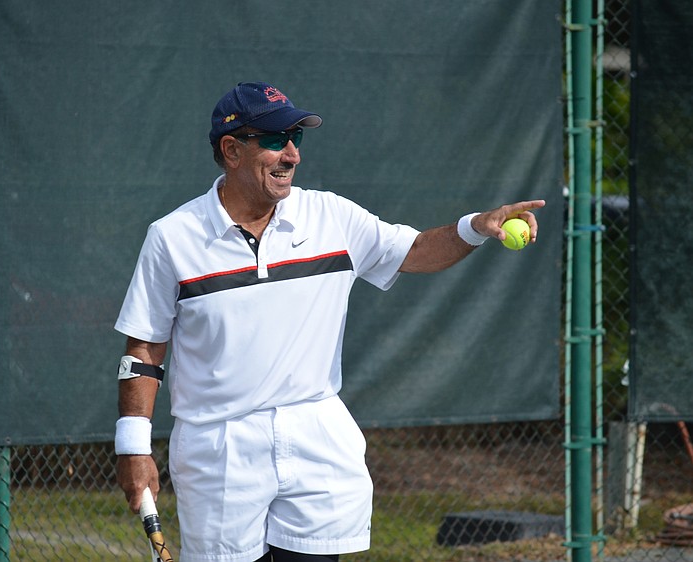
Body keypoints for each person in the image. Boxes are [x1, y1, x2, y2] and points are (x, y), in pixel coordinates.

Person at [114, 81, 545, 562]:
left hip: (316, 433)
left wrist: (476, 227)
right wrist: (134, 448)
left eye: (297, 138)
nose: (292, 155)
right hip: (220, 449)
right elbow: (144, 350)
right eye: (276, 140)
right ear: (232, 150)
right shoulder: (172, 237)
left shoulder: (331, 216)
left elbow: (417, 251)